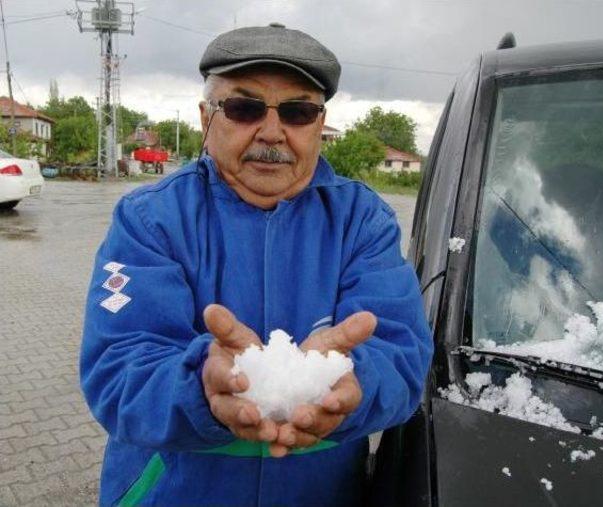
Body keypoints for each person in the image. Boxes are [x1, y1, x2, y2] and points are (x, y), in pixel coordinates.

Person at [80, 23, 433, 507]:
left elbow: (403, 353)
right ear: (206, 116)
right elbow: (116, 369)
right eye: (244, 108)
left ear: (319, 123)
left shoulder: (363, 221)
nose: (272, 131)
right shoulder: (149, 219)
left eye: (298, 111)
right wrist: (202, 384)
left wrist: (352, 378)